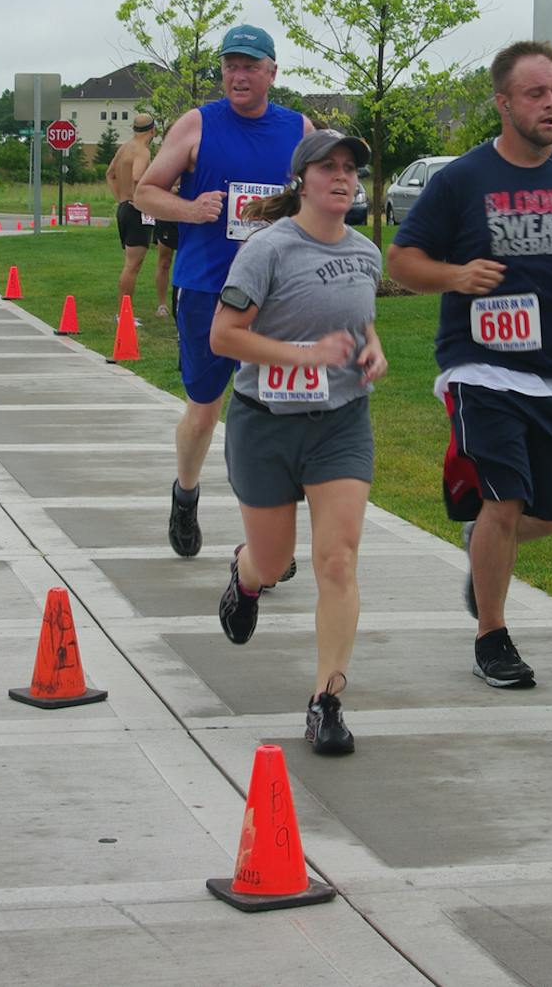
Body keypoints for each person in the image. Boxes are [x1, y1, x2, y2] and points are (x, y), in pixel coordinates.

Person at [387, 40, 552, 689]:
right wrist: (455, 274)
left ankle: (482, 546)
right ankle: (492, 635)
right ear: (503, 103)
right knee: (506, 497)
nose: (550, 103)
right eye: (536, 93)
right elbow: (403, 261)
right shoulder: (461, 181)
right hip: (483, 368)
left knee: (549, 512)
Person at [210, 129, 386, 755]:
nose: (342, 177)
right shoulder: (268, 250)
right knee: (275, 556)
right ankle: (246, 574)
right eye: (328, 167)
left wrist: (372, 347)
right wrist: (302, 353)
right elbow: (224, 336)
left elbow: (358, 315)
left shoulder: (366, 252)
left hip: (340, 423)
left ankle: (326, 700)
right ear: (302, 182)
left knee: (337, 560)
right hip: (265, 422)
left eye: (350, 169)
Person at [134, 24, 314, 557]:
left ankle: (268, 543)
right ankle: (185, 494)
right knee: (205, 410)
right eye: (231, 65)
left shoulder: (299, 128)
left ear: (272, 72)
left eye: (250, 65)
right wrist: (190, 209)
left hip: (275, 294)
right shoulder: (197, 125)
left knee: (270, 416)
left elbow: (317, 196)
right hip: (209, 288)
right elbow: (145, 191)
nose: (238, 75)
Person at [107, 113, 166, 323]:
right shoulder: (142, 151)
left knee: (131, 264)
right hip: (136, 211)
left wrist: (121, 199)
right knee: (133, 265)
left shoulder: (124, 148)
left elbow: (110, 173)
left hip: (124, 208)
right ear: (153, 130)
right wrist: (140, 200)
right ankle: (124, 314)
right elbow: (137, 176)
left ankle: (123, 312)